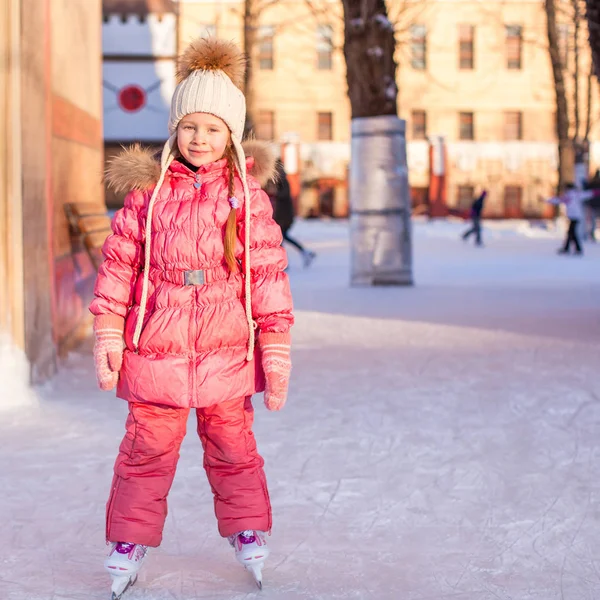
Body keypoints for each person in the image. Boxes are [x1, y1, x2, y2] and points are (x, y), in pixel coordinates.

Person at [89, 38, 294, 597]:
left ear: (232, 136)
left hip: (227, 345)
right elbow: (119, 265)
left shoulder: (246, 196)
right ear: (174, 130)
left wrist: (275, 342)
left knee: (232, 444)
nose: (200, 139)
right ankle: (128, 542)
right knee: (146, 449)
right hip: (157, 342)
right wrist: (109, 332)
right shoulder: (147, 196)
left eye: (213, 129)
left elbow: (269, 274)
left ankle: (247, 528)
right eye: (190, 127)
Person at [265, 160, 316, 267]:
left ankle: (283, 261)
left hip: (284, 216)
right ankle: (304, 252)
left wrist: (273, 193)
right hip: (283, 215)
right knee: (283, 237)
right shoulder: (280, 180)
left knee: (281, 237)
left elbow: (283, 195)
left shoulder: (283, 180)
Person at [547, 183, 591, 255]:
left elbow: (556, 200)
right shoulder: (577, 194)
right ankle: (568, 248)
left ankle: (576, 249)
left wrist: (545, 200)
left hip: (574, 216)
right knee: (570, 232)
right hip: (576, 216)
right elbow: (589, 193)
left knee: (572, 233)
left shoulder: (568, 196)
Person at [585, 169, 600, 241]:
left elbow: (587, 188)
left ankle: (592, 233)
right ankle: (592, 234)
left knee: (593, 220)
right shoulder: (593, 183)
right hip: (595, 204)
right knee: (593, 220)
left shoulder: (592, 183)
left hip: (593, 204)